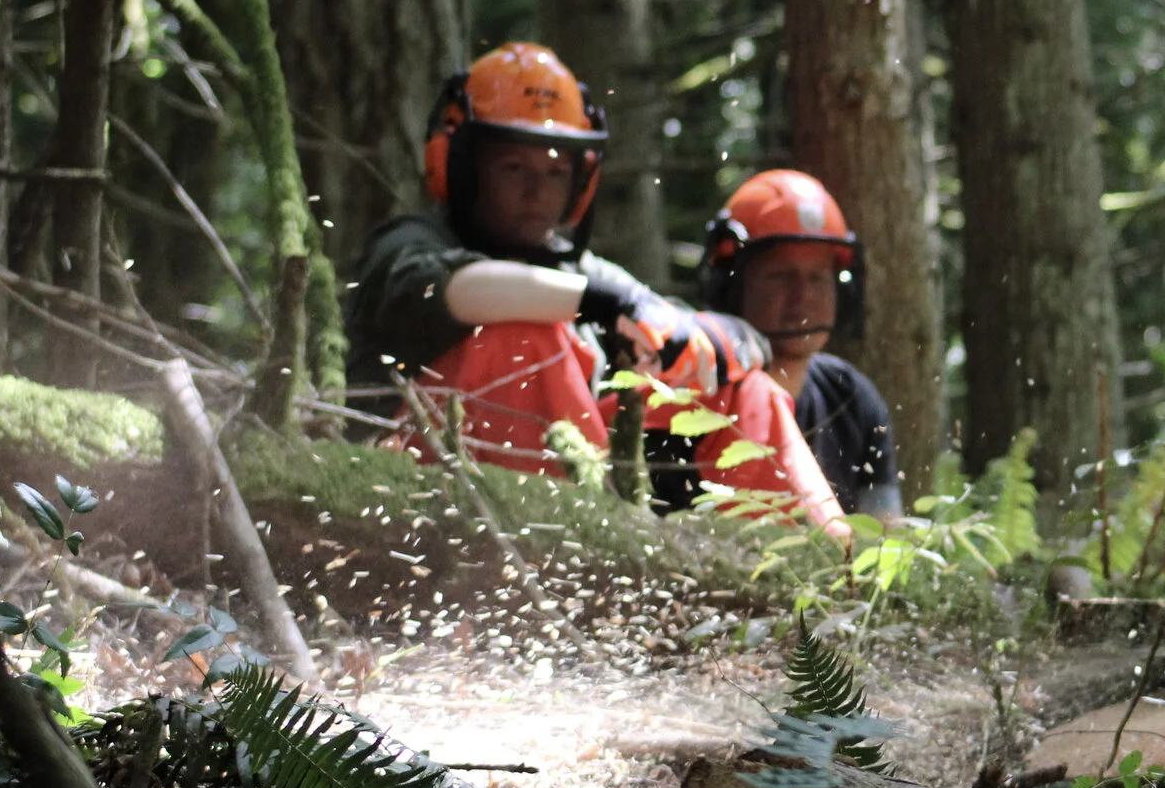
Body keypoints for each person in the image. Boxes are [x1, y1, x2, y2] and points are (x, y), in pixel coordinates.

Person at [344, 43, 844, 537]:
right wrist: (597, 300)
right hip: (415, 491)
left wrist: (720, 338)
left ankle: (816, 569)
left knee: (739, 387)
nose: (537, 189)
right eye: (514, 168)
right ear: (465, 164)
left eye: (556, 171)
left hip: (568, 485)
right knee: (523, 340)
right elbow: (457, 291)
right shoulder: (407, 245)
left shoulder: (583, 272)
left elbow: (662, 325)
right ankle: (595, 544)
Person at [696, 171, 903, 522]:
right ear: (731, 287)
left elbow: (885, 542)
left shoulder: (852, 398)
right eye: (780, 276)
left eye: (818, 278)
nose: (803, 296)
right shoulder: (700, 390)